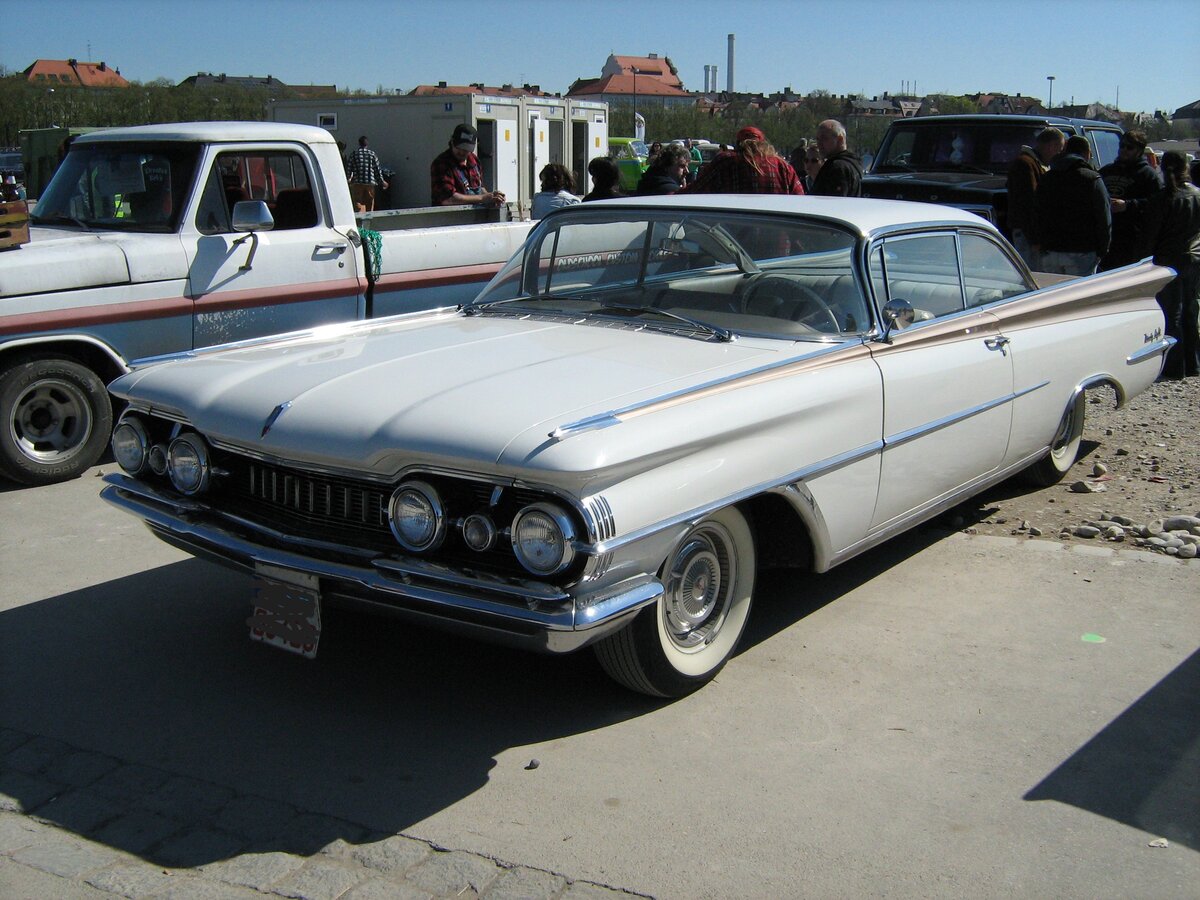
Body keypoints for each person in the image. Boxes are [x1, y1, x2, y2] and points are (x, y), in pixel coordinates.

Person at [1114, 151, 1200, 378]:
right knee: (1190, 310)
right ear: (1186, 167)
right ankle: (1193, 364)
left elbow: (1149, 235)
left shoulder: (1162, 199)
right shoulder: (1196, 194)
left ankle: (1174, 366)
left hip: (1167, 261)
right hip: (1194, 259)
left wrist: (1140, 262)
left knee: (1172, 313)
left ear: (1162, 168)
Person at [1034, 135, 1111, 276]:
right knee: (1081, 290)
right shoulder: (1092, 179)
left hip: (1050, 250)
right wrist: (1103, 249)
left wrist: (1041, 242)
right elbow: (1103, 216)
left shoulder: (1047, 178)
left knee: (1054, 290)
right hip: (1082, 251)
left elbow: (1037, 212)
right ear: (1086, 153)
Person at [1098, 130, 1162, 271]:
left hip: (1131, 240)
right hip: (1106, 238)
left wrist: (1127, 205)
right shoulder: (1106, 171)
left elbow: (1158, 204)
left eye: (1129, 147)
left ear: (1139, 151)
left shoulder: (1148, 175)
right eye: (1122, 146)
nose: (1124, 150)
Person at [680, 126, 804, 195]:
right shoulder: (782, 166)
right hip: (776, 230)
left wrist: (673, 196)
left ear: (738, 143)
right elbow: (799, 198)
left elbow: (697, 188)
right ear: (763, 144)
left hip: (731, 231)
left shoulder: (726, 161)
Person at [1005, 127, 1065, 269]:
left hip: (1029, 233)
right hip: (1027, 235)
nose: (1059, 154)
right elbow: (1027, 204)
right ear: (1051, 146)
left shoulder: (1034, 163)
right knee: (1031, 275)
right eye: (1059, 149)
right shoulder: (1025, 165)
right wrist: (1035, 239)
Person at [430, 124, 506, 207]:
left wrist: (492, 197)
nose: (462, 152)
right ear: (452, 142)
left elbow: (481, 188)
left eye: (466, 149)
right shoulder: (442, 164)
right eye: (459, 148)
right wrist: (482, 198)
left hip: (475, 214)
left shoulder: (474, 161)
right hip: (450, 214)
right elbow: (448, 199)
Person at [809, 120, 863, 197]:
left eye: (824, 138)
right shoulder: (851, 163)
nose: (819, 144)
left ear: (840, 139)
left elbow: (834, 201)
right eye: (817, 139)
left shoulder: (838, 167)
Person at [346, 135, 388, 213]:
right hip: (370, 183)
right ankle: (369, 217)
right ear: (367, 144)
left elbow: (349, 168)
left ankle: (360, 217)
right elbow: (377, 170)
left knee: (358, 202)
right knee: (369, 203)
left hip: (357, 183)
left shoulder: (354, 154)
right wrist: (382, 181)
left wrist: (348, 178)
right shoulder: (372, 154)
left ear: (359, 143)